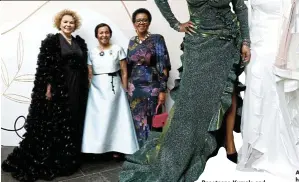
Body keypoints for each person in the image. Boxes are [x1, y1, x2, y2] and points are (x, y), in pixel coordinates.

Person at [119, 1, 251, 181]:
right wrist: (175, 23)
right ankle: (184, 150)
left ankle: (230, 144)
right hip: (197, 43)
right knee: (189, 100)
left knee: (228, 90)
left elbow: (240, 7)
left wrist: (245, 41)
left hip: (227, 42)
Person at [1, 9, 89, 182]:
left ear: (75, 24)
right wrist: (48, 89)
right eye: (65, 22)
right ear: (59, 23)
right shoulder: (52, 41)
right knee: (57, 122)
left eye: (71, 22)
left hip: (77, 87)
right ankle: (55, 159)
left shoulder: (80, 42)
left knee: (73, 119)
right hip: (60, 87)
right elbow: (45, 67)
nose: (68, 25)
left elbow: (84, 65)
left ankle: (69, 158)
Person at [237, 0, 299, 180]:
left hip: (279, 46)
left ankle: (278, 148)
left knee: (277, 95)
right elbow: (246, 16)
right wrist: (245, 43)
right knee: (258, 93)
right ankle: (259, 146)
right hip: (256, 48)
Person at [81, 23, 139, 158]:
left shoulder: (118, 49)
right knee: (98, 119)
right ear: (96, 35)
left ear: (110, 34)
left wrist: (124, 89)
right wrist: (90, 90)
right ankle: (97, 149)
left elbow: (124, 71)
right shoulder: (92, 52)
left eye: (106, 32)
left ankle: (117, 149)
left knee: (115, 118)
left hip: (114, 87)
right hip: (96, 89)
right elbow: (89, 73)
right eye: (101, 32)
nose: (104, 35)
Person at [126, 8, 171, 147]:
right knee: (138, 121)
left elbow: (164, 66)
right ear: (134, 23)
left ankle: (152, 153)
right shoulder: (131, 42)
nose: (141, 22)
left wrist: (162, 90)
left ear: (149, 22)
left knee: (152, 120)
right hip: (135, 88)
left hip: (152, 87)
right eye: (138, 20)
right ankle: (140, 153)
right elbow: (128, 66)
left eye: (145, 20)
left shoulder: (157, 39)